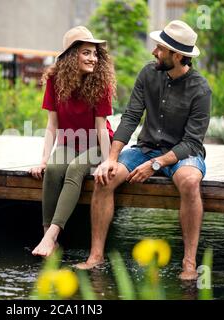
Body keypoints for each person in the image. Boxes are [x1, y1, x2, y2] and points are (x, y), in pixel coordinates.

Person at [75, 20, 211, 281]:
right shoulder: (148, 74)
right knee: (105, 177)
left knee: (190, 181)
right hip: (145, 148)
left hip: (182, 154)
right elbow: (130, 117)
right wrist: (111, 158)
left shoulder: (201, 90)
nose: (154, 53)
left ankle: (189, 263)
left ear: (178, 55)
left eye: (160, 48)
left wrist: (157, 165)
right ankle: (96, 256)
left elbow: (193, 142)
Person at [29, 26, 116, 257]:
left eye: (95, 53)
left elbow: (101, 127)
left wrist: (107, 161)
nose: (93, 58)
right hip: (69, 142)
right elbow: (52, 125)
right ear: (70, 55)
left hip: (97, 143)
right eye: (86, 52)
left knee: (76, 169)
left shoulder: (100, 82)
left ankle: (50, 237)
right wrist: (43, 160)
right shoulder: (55, 80)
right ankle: (50, 238)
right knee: (54, 170)